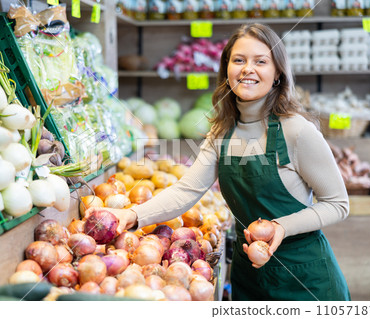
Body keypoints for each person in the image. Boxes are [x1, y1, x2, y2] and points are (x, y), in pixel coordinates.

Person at [99, 23, 351, 301]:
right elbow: (187, 190)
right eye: (239, 60)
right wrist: (134, 215)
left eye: (261, 61)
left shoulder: (297, 131)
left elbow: (338, 204)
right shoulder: (222, 132)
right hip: (250, 277)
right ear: (227, 69)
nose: (247, 69)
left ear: (278, 72)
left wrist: (281, 227)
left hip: (305, 275)